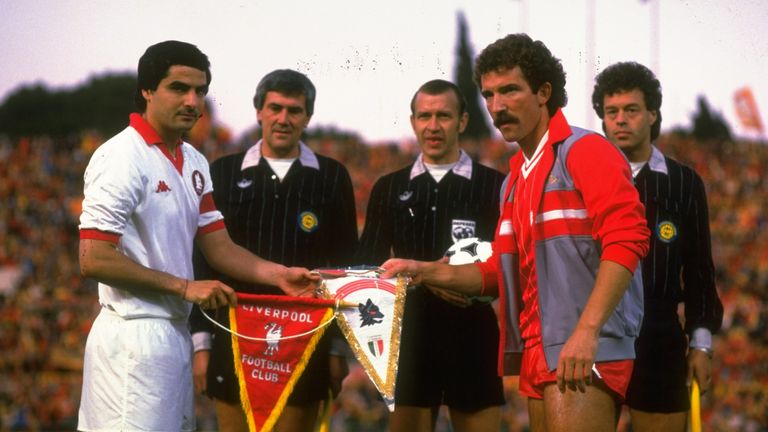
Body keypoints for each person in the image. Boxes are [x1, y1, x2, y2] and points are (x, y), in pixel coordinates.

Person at [380, 33, 651, 432]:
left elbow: (628, 239)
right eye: (489, 94)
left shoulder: (585, 150)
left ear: (544, 92)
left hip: (583, 346)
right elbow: (494, 274)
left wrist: (586, 332)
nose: (497, 106)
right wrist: (423, 270)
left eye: (509, 90)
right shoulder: (514, 181)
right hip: (538, 351)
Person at [77, 41, 320, 432]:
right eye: (178, 88)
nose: (192, 100)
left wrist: (279, 275)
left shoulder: (192, 160)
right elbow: (93, 258)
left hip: (173, 335)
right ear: (147, 90)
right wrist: (185, 287)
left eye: (200, 90)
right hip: (131, 336)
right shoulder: (120, 156)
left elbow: (219, 246)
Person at [189, 69, 358, 432]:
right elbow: (202, 263)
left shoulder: (332, 176)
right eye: (275, 108)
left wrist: (337, 349)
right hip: (232, 335)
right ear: (259, 112)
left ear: (308, 117)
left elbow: (347, 269)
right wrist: (201, 344)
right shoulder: (223, 172)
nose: (284, 119)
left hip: (307, 339)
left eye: (294, 110)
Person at [358, 79, 506, 432]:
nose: (433, 126)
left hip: (473, 336)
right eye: (425, 116)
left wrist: (469, 284)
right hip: (409, 338)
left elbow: (506, 264)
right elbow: (365, 270)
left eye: (444, 115)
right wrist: (424, 279)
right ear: (413, 122)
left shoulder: (495, 185)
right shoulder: (390, 188)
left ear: (463, 121)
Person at [592, 61, 724, 432]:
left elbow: (699, 269)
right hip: (596, 326)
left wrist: (700, 345)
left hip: (659, 330)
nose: (620, 120)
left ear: (652, 113)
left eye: (631, 110)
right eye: (611, 111)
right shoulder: (583, 176)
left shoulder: (684, 183)